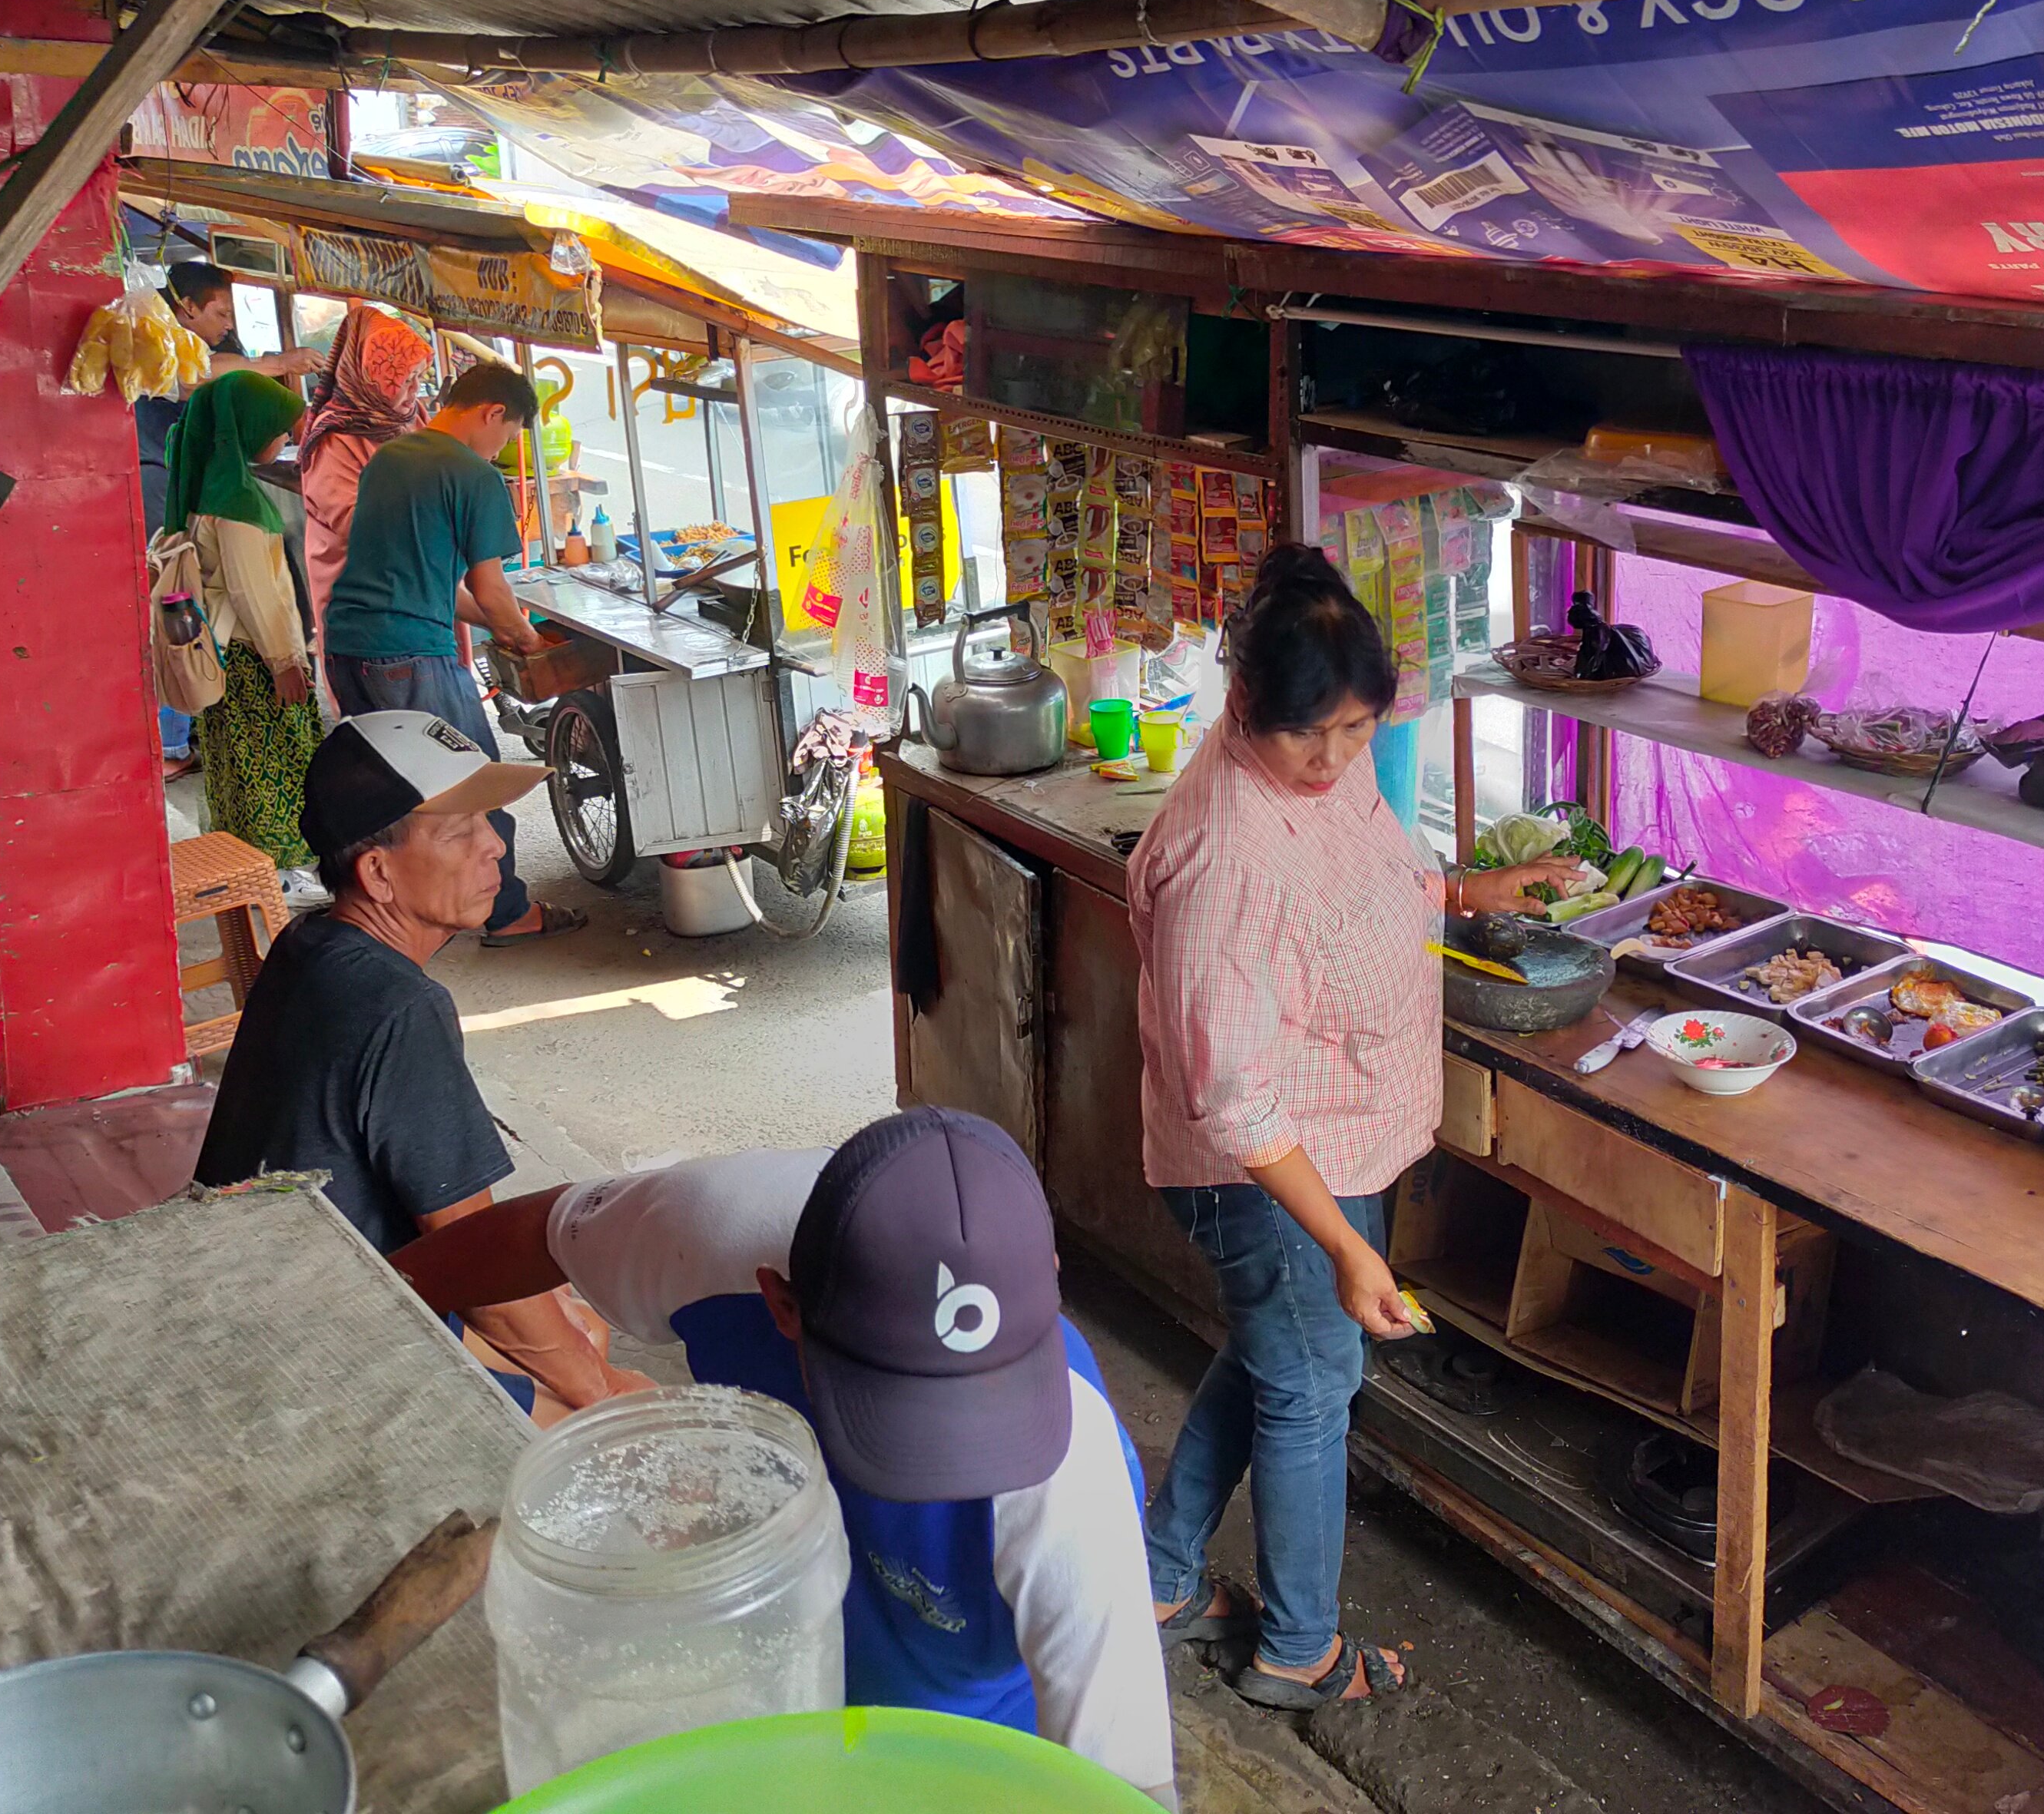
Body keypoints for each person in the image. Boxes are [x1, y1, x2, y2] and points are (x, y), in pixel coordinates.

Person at [392, 1107, 1177, 1807]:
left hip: (958, 1744)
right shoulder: (705, 1231)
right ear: (781, 1305)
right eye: (895, 1417)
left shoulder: (1072, 1485)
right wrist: (376, 1291)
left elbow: (1126, 1787)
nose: (938, 1465)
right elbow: (541, 1234)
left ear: (1049, 1279)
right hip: (767, 1655)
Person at [1127, 545, 1592, 1708]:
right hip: (1270, 1170)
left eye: (1357, 728)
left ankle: (1159, 1580)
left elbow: (1368, 872)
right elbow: (1234, 1098)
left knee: (1278, 1362)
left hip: (1335, 1142)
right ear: (1243, 705)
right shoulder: (1226, 852)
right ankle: (1297, 1654)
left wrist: (1470, 892)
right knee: (1307, 1393)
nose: (1335, 759)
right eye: (1309, 735)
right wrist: (1346, 1247)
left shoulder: (1326, 779)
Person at [193, 710, 633, 1412]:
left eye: (488, 823)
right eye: (459, 832)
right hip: (313, 1353)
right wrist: (606, 1395)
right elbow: (469, 1249)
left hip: (256, 1291)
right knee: (590, 1412)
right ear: (378, 873)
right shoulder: (401, 1007)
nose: (494, 847)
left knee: (577, 1324)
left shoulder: (312, 944)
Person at [319, 358, 580, 945]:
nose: (503, 447)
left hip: (349, 646)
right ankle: (507, 912)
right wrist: (529, 640)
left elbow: (443, 590)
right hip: (411, 654)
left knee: (391, 786)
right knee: (476, 780)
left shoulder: (392, 456)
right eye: (508, 434)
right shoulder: (473, 476)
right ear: (492, 414)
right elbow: (491, 590)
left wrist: (509, 624)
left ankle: (392, 902)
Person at [140, 261, 316, 776]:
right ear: (186, 306)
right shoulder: (160, 347)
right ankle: (173, 741)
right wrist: (283, 660)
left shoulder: (217, 486)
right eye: (217, 312)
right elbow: (251, 590)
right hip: (237, 644)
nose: (224, 324)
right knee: (178, 602)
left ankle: (179, 732)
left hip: (215, 631)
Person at [161, 369, 323, 897]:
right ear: (250, 430)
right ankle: (279, 874)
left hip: (227, 654)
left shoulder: (201, 483)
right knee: (274, 763)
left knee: (236, 764)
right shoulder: (239, 506)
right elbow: (255, 593)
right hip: (256, 658)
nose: (286, 440)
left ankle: (248, 864)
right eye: (278, 430)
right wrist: (285, 662)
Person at [295, 302, 436, 640]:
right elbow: (355, 527)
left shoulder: (410, 415)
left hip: (420, 587)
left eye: (419, 376)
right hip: (365, 604)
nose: (415, 389)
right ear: (372, 378)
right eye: (403, 379)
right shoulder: (336, 439)